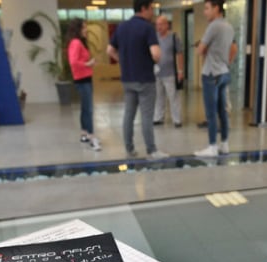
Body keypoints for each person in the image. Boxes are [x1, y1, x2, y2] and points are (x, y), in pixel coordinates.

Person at [107, 0, 169, 160]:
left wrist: (122, 61)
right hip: (145, 79)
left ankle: (129, 149)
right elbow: (156, 54)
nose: (153, 12)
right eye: (151, 8)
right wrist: (155, 60)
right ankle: (152, 150)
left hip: (127, 79)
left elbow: (110, 50)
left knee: (129, 114)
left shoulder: (122, 27)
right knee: (147, 116)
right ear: (143, 8)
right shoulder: (147, 28)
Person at [194, 0, 238, 157]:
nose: (205, 12)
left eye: (207, 8)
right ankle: (224, 144)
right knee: (223, 112)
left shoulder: (213, 26)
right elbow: (233, 48)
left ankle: (212, 146)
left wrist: (202, 46)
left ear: (216, 8)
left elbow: (200, 50)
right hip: (224, 72)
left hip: (211, 74)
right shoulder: (229, 26)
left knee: (211, 113)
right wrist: (225, 61)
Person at [66, 18, 101, 151]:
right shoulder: (76, 42)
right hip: (82, 79)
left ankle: (84, 133)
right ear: (78, 29)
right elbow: (73, 62)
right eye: (84, 27)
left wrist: (89, 64)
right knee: (89, 109)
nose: (86, 30)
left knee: (85, 108)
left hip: (84, 78)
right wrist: (88, 64)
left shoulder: (78, 42)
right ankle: (92, 137)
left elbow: (77, 61)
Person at [152, 15, 184, 128]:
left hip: (170, 73)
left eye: (161, 24)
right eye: (157, 25)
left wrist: (180, 71)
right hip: (157, 73)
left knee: (173, 96)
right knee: (158, 96)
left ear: (167, 25)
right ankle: (158, 117)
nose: (159, 27)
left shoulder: (174, 37)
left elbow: (179, 54)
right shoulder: (154, 37)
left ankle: (177, 119)